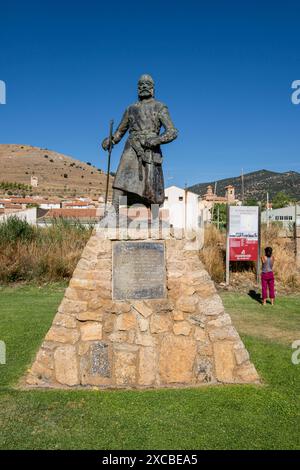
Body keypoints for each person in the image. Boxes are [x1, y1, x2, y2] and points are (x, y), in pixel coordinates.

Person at [102, 74, 178, 215]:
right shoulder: (130, 109)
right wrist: (110, 140)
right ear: (137, 89)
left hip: (150, 149)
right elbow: (120, 131)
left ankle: (155, 217)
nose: (143, 87)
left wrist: (157, 140)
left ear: (152, 89)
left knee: (151, 183)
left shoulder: (160, 106)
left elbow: (172, 131)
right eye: (140, 85)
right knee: (121, 176)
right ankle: (114, 209)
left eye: (147, 84)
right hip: (131, 146)